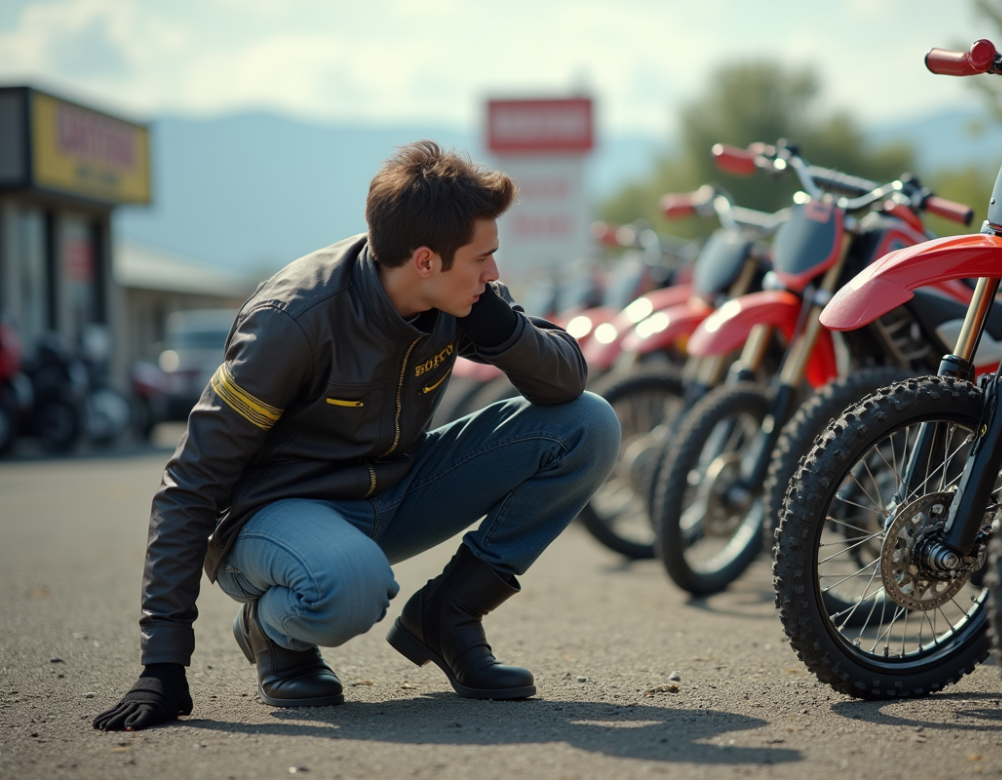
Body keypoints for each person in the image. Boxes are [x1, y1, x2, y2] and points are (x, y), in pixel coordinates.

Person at [93, 140, 621, 731]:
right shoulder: (293, 321)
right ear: (425, 260)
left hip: (389, 491)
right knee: (351, 590)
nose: (493, 272)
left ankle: (450, 615)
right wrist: (162, 662)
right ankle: (273, 632)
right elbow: (189, 482)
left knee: (589, 423)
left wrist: (505, 330)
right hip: (274, 518)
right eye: (482, 259)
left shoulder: (462, 296)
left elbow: (567, 383)